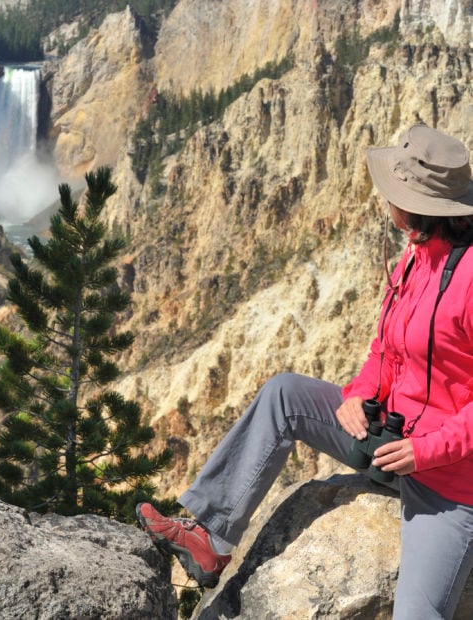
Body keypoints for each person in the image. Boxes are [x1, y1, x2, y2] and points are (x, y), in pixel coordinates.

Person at [137, 124, 473, 619]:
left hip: (449, 481)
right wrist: (358, 394)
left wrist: (426, 450)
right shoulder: (416, 256)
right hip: (387, 440)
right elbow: (386, 348)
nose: (384, 200)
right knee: (284, 394)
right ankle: (210, 539)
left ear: (419, 208)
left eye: (392, 193)